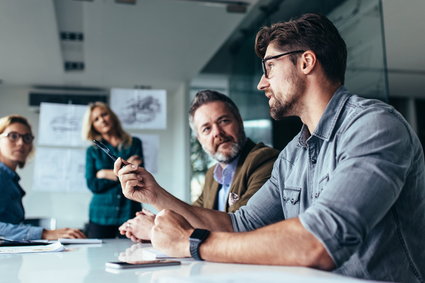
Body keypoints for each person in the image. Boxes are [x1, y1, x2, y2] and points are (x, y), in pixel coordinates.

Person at [115, 13, 425, 283]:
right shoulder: (292, 155)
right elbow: (239, 225)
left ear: (306, 62)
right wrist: (154, 194)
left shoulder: (374, 126)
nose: (262, 83)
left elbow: (319, 241)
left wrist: (192, 243)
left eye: (269, 68)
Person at [119, 90, 278, 241]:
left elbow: (241, 229)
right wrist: (157, 222)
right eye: (206, 129)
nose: (217, 133)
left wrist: (155, 229)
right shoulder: (212, 175)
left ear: (240, 122)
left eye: (224, 121)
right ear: (199, 139)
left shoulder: (264, 161)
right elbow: (192, 218)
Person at [0, 115, 86, 240]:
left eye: (27, 138)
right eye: (13, 136)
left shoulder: (10, 179)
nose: (21, 143)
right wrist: (44, 233)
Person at [82, 102, 144, 238]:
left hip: (129, 212)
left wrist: (104, 173)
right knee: (97, 257)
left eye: (104, 114)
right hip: (100, 215)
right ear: (93, 126)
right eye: (96, 119)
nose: (102, 120)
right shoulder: (92, 151)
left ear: (112, 116)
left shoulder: (134, 143)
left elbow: (138, 178)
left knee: (132, 254)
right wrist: (123, 173)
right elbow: (93, 184)